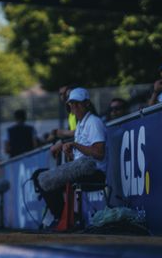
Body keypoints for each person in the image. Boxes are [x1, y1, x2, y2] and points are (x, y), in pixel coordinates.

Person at [32, 87, 106, 223]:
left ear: (87, 104)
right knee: (38, 176)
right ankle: (61, 219)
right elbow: (81, 156)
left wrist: (75, 145)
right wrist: (70, 154)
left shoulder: (94, 122)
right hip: (83, 168)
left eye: (78, 103)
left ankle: (62, 220)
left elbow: (99, 153)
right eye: (72, 104)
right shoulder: (80, 125)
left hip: (94, 171)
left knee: (46, 179)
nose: (74, 106)